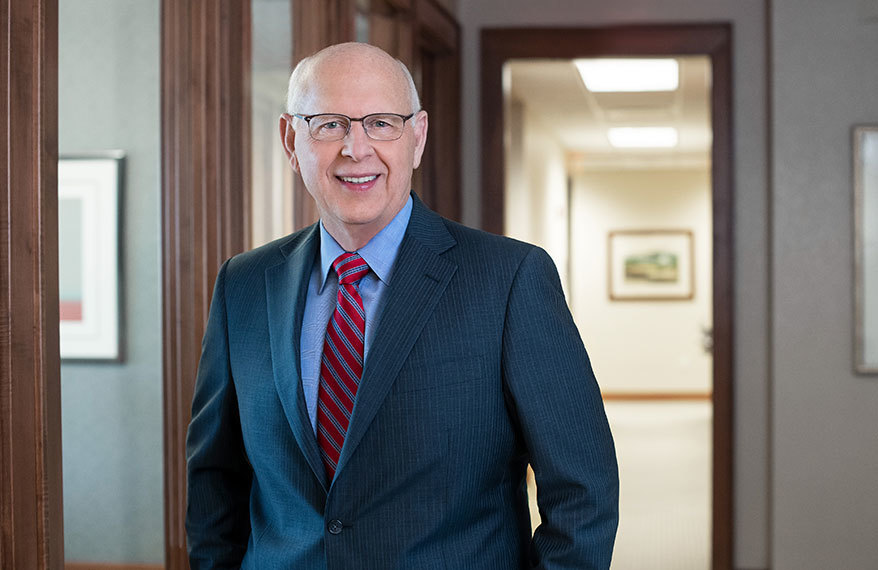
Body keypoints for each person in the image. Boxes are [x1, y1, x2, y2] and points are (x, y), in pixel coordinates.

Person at [186, 42, 618, 569]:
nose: (356, 149)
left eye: (382, 124)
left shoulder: (509, 280)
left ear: (418, 137)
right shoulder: (244, 284)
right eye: (329, 124)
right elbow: (215, 482)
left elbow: (583, 492)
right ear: (291, 141)